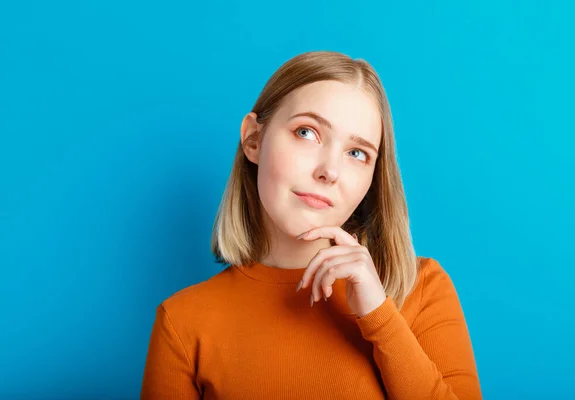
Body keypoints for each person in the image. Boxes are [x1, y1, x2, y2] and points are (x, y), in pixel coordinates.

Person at [141, 50, 483, 399]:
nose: (329, 171)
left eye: (357, 153)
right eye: (307, 132)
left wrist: (380, 318)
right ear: (253, 140)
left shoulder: (421, 287)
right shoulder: (182, 322)